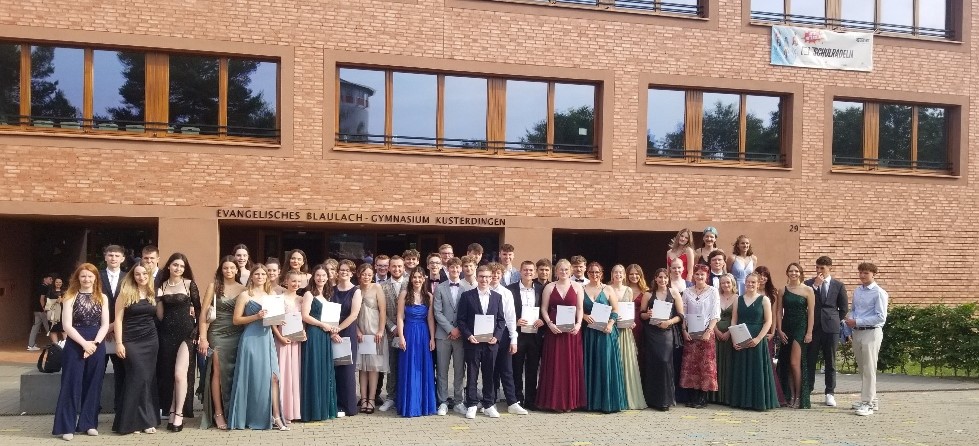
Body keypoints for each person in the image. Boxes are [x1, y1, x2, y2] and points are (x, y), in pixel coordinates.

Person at [52, 264, 110, 441]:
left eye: (90, 276)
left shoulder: (102, 297)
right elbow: (66, 326)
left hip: (96, 343)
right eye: (83, 276)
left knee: (93, 384)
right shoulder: (70, 296)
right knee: (71, 384)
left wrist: (95, 343)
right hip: (75, 343)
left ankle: (88, 423)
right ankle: (66, 426)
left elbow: (105, 324)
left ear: (95, 278)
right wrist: (84, 344)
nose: (87, 279)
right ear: (77, 278)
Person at [228, 264, 289, 430]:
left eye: (263, 274)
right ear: (252, 276)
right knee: (254, 379)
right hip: (251, 339)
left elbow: (273, 321)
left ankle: (276, 416)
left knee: (274, 377)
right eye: (257, 274)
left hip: (267, 339)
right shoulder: (245, 295)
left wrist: (279, 320)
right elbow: (236, 320)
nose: (260, 277)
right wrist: (256, 316)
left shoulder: (272, 295)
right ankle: (253, 416)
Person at [198, 256, 245, 430]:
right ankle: (218, 413)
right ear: (221, 270)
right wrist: (203, 338)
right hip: (217, 333)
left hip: (237, 333)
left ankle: (233, 410)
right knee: (218, 371)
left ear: (237, 270)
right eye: (225, 268)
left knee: (234, 371)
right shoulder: (214, 286)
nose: (229, 271)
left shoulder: (244, 288)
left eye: (232, 268)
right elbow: (203, 315)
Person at [111, 263, 159, 434]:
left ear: (149, 275)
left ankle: (146, 421)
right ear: (133, 276)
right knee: (136, 377)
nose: (141, 277)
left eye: (144, 273)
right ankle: (131, 422)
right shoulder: (125, 293)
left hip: (150, 340)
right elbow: (118, 320)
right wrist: (119, 343)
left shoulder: (153, 292)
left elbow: (159, 315)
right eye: (137, 274)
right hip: (131, 340)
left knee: (147, 379)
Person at [156, 253, 200, 432]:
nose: (178, 268)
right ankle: (172, 410)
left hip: (186, 333)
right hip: (166, 334)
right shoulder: (161, 286)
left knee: (180, 374)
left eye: (182, 266)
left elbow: (199, 309)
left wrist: (197, 331)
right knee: (169, 375)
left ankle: (179, 413)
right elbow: (160, 315)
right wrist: (157, 299)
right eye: (175, 265)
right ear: (168, 266)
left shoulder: (189, 284)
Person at [456, 265, 506, 419]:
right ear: (477, 277)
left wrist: (497, 336)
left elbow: (501, 320)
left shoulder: (497, 297)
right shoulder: (467, 296)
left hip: (491, 343)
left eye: (487, 277)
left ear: (491, 278)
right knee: (472, 374)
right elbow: (461, 320)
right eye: (482, 276)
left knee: (489, 374)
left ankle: (489, 404)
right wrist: (468, 335)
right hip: (473, 342)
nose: (484, 279)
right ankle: (471, 404)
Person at [536, 259, 586, 412]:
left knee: (570, 366)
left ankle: (571, 402)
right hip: (554, 331)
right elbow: (543, 309)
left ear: (570, 271)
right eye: (560, 269)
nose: (563, 272)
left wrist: (578, 324)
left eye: (566, 269)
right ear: (556, 271)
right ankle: (553, 402)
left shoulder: (577, 287)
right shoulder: (549, 287)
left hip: (572, 332)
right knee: (554, 365)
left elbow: (580, 309)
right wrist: (549, 324)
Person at [729, 273, 780, 411]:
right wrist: (734, 338)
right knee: (742, 369)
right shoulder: (738, 299)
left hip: (757, 339)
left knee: (757, 370)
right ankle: (742, 401)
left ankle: (758, 402)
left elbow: (768, 321)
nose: (750, 284)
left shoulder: (764, 300)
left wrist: (758, 339)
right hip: (741, 338)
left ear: (758, 284)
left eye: (753, 282)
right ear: (745, 283)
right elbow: (734, 319)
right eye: (748, 282)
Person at [581, 262, 627, 413]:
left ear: (601, 274)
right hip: (589, 333)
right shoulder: (581, 289)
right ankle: (592, 402)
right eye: (591, 272)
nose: (594, 275)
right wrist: (584, 316)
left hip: (605, 332)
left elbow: (615, 309)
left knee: (605, 364)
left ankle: (608, 402)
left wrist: (611, 324)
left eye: (597, 272)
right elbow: (577, 309)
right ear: (587, 273)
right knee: (591, 364)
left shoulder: (608, 289)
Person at [804, 256, 848, 407]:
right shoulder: (809, 284)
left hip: (831, 328)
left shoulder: (838, 285)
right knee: (810, 360)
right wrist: (816, 286)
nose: (819, 271)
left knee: (830, 361)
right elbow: (804, 301)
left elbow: (843, 308)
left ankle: (830, 393)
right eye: (817, 267)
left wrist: (834, 319)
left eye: (822, 268)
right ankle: (807, 390)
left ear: (830, 268)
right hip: (813, 327)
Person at [846, 263, 888, 416]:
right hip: (858, 332)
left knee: (869, 368)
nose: (862, 275)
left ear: (873, 274)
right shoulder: (858, 291)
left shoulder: (879, 293)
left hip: (871, 332)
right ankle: (872, 399)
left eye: (866, 273)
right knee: (863, 368)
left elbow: (880, 317)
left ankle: (868, 403)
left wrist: (857, 321)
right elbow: (854, 310)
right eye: (861, 273)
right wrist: (850, 319)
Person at [639, 268, 683, 411]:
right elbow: (641, 315)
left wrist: (669, 322)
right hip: (651, 332)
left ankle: (665, 400)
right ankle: (652, 400)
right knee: (652, 363)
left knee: (665, 362)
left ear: (668, 279)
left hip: (667, 331)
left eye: (665, 277)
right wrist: (647, 314)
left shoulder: (674, 293)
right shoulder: (648, 294)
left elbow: (681, 315)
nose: (662, 280)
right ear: (655, 279)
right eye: (660, 277)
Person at [395, 267, 437, 417]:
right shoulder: (404, 294)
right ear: (411, 279)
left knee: (422, 368)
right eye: (414, 277)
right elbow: (400, 317)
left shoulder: (429, 296)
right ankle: (410, 405)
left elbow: (430, 318)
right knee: (410, 367)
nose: (417, 280)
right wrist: (401, 337)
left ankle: (423, 405)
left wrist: (432, 338)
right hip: (409, 333)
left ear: (424, 278)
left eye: (420, 277)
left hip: (424, 334)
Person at [488, 262, 528, 415]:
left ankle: (512, 402)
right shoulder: (481, 291)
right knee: (490, 369)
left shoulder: (506, 293)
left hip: (504, 333)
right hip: (486, 333)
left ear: (501, 275)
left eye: (498, 274)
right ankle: (490, 402)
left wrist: (513, 339)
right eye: (492, 273)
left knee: (506, 369)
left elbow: (511, 317)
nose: (495, 276)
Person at [300, 264, 339, 422]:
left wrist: (332, 329)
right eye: (318, 275)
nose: (321, 278)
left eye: (323, 275)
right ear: (313, 277)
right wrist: (322, 325)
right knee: (314, 368)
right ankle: (313, 410)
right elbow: (305, 316)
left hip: (325, 335)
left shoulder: (328, 295)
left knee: (324, 369)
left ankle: (323, 408)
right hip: (314, 334)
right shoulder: (309, 294)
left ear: (328, 277)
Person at [679, 264, 720, 409]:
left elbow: (715, 313)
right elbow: (683, 313)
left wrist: (709, 331)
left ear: (707, 276)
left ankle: (702, 397)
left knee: (705, 365)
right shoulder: (687, 292)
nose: (699, 276)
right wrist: (684, 330)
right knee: (691, 365)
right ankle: (692, 396)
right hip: (691, 332)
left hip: (706, 332)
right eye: (697, 274)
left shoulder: (713, 291)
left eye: (702, 274)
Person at [506, 260, 545, 411]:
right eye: (525, 270)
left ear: (534, 272)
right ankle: (517, 398)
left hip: (535, 334)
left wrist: (542, 320)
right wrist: (515, 320)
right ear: (520, 272)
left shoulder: (541, 289)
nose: (528, 272)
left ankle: (530, 399)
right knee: (516, 367)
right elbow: (505, 310)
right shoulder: (511, 289)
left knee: (533, 368)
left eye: (530, 270)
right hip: (518, 334)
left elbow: (546, 308)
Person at [777, 263, 815, 409]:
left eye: (796, 271)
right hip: (787, 327)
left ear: (800, 273)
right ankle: (791, 395)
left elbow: (811, 313)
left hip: (801, 327)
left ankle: (799, 397)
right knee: (787, 363)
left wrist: (809, 332)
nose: (793, 273)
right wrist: (779, 330)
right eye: (791, 271)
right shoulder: (783, 290)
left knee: (795, 363)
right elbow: (779, 312)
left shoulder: (808, 290)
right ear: (787, 273)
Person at [608, 264, 645, 410]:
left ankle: (628, 397)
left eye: (621, 272)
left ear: (624, 275)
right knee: (613, 361)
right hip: (611, 329)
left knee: (626, 362)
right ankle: (614, 397)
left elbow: (629, 310)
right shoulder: (607, 288)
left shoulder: (628, 290)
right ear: (612, 274)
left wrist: (631, 322)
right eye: (616, 272)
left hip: (625, 330)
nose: (618, 275)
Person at [433, 257, 466, 416]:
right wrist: (450, 329)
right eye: (451, 268)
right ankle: (443, 401)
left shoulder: (467, 288)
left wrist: (459, 329)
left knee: (459, 370)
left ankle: (459, 401)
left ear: (461, 269)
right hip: (443, 335)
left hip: (461, 335)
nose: (454, 270)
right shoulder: (440, 288)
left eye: (457, 268)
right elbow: (437, 312)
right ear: (447, 269)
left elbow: (468, 312)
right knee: (442, 370)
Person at [273, 271, 306, 425]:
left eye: (299, 282)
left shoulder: (301, 299)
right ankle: (281, 411)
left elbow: (303, 320)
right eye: (293, 281)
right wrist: (279, 337)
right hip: (282, 340)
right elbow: (272, 322)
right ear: (286, 281)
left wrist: (303, 332)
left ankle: (293, 411)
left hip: (296, 342)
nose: (296, 284)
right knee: (283, 373)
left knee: (294, 373)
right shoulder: (278, 298)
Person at [331, 260, 363, 417]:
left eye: (347, 270)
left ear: (352, 273)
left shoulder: (356, 291)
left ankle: (349, 407)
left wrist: (338, 329)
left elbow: (354, 315)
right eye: (341, 270)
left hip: (347, 330)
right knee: (333, 368)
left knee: (347, 369)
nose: (344, 272)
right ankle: (335, 405)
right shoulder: (331, 290)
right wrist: (332, 330)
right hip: (331, 329)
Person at [356, 263, 387, 414]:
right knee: (362, 367)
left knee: (373, 367)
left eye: (369, 274)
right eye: (363, 274)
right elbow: (352, 312)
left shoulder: (377, 288)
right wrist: (357, 330)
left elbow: (383, 310)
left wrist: (380, 330)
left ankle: (372, 399)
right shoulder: (356, 289)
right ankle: (363, 399)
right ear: (359, 275)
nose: (366, 277)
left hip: (375, 332)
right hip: (361, 332)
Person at [378, 256, 408, 411]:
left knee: (407, 364)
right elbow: (380, 311)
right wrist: (392, 327)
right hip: (390, 333)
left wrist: (405, 328)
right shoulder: (382, 287)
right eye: (394, 266)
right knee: (392, 365)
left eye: (399, 266)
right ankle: (390, 397)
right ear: (389, 268)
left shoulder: (410, 283)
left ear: (404, 268)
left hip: (409, 332)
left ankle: (404, 395)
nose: (397, 269)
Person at [100, 245, 126, 415]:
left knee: (122, 375)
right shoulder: (96, 276)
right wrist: (104, 329)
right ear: (105, 257)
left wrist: (114, 328)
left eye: (117, 255)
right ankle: (93, 410)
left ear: (122, 258)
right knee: (96, 375)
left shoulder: (129, 278)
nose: (113, 258)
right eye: (110, 255)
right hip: (99, 333)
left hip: (120, 334)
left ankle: (120, 411)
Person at [755, 265, 786, 406]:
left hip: (766, 331)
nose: (762, 278)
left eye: (765, 275)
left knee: (767, 363)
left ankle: (774, 395)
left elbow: (774, 314)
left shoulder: (772, 293)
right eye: (760, 275)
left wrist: (773, 332)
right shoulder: (751, 289)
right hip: (753, 329)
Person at [709, 274, 737, 406]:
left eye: (728, 283)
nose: (725, 285)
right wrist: (716, 331)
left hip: (730, 334)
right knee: (715, 363)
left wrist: (729, 332)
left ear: (733, 284)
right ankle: (714, 396)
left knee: (728, 364)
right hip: (715, 333)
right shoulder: (716, 297)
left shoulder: (737, 298)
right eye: (723, 283)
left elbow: (735, 318)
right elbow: (712, 315)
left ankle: (726, 396)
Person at [625, 264, 648, 389]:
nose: (634, 276)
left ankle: (640, 385)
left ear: (640, 275)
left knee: (640, 353)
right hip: (625, 325)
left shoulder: (646, 291)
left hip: (641, 326)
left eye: (636, 274)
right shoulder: (623, 289)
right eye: (631, 274)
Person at [29, 273, 53, 351]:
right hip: (42, 310)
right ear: (45, 279)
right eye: (50, 278)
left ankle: (31, 345)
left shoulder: (39, 287)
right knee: (49, 327)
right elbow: (41, 299)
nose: (51, 280)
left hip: (36, 309)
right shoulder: (44, 287)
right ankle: (55, 344)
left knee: (35, 327)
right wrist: (44, 309)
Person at [47, 276, 66, 344]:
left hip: (62, 313)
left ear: (62, 283)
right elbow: (47, 301)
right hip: (53, 313)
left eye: (60, 282)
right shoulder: (50, 291)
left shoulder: (65, 291)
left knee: (64, 330)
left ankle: (66, 346)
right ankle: (56, 346)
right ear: (54, 283)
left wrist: (63, 300)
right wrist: (55, 301)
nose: (58, 283)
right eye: (57, 282)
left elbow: (68, 301)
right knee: (53, 330)